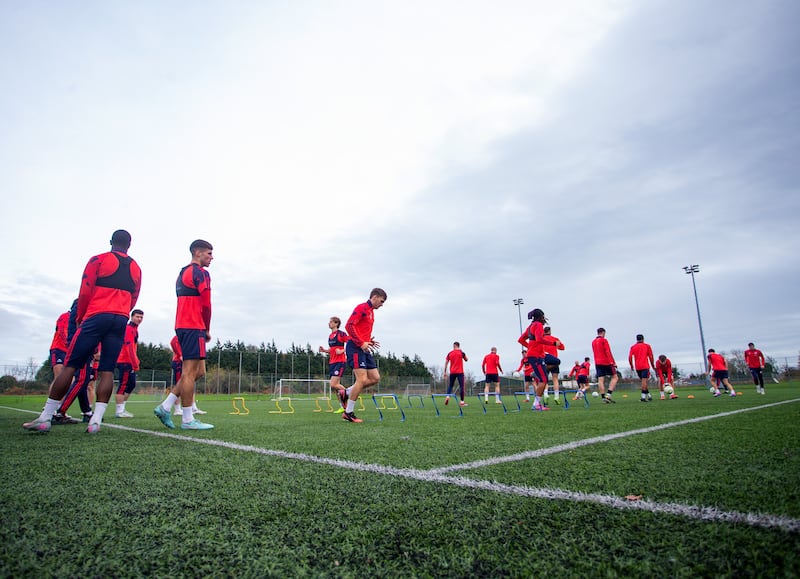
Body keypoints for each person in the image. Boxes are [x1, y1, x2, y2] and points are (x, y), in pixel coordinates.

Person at [24, 230, 142, 434]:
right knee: (106, 370)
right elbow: (134, 296)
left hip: (96, 316)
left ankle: (46, 417)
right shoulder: (136, 268)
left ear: (111, 242)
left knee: (70, 366)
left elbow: (85, 290)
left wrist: (80, 317)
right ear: (129, 245)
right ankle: (95, 421)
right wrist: (122, 311)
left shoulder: (98, 259)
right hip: (120, 319)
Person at [154, 239, 215, 430]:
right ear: (197, 252)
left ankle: (165, 406)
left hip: (182, 325)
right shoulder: (201, 273)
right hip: (193, 325)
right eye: (209, 253)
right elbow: (206, 304)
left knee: (198, 371)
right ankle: (188, 419)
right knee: (189, 372)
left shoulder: (182, 273)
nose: (211, 257)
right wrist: (206, 328)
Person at [336, 288, 387, 423]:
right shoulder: (362, 308)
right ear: (375, 297)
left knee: (375, 378)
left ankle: (346, 393)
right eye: (381, 301)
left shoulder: (371, 312)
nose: (382, 305)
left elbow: (360, 329)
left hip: (364, 348)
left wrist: (368, 341)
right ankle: (348, 412)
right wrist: (360, 342)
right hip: (355, 348)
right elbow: (349, 326)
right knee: (362, 379)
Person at [518, 308, 559, 411]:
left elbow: (521, 340)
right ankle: (536, 404)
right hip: (536, 356)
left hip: (540, 354)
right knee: (544, 380)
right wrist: (553, 343)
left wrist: (529, 347)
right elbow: (539, 339)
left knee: (556, 361)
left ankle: (538, 372)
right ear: (541, 317)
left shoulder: (530, 326)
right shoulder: (538, 325)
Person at [114, 309, 143, 418]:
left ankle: (122, 408)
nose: (139, 319)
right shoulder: (129, 329)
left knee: (131, 384)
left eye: (141, 317)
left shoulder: (134, 330)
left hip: (129, 361)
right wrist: (134, 362)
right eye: (137, 317)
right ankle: (119, 411)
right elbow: (129, 347)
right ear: (132, 317)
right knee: (123, 385)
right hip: (125, 361)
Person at [169, 334, 206, 416]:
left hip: (187, 362)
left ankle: (193, 407)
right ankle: (177, 409)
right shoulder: (182, 334)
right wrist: (181, 354)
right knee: (180, 384)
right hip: (179, 362)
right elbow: (173, 342)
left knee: (190, 384)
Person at [319, 316, 349, 414]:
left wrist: (342, 350)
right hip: (332, 362)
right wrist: (324, 350)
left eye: (331, 322)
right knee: (335, 387)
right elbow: (332, 350)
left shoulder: (341, 334)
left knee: (333, 384)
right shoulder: (330, 336)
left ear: (336, 324)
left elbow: (350, 343)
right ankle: (343, 407)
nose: (329, 323)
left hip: (340, 362)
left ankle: (349, 394)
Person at [592, 328, 618, 403]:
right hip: (606, 362)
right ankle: (608, 394)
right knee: (615, 377)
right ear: (603, 332)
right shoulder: (604, 340)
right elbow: (608, 351)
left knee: (600, 379)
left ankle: (603, 397)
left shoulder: (593, 342)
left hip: (597, 362)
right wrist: (613, 362)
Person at [628, 334, 656, 402]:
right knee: (644, 382)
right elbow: (651, 357)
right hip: (645, 366)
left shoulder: (633, 347)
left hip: (638, 367)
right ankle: (643, 397)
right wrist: (653, 366)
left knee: (644, 382)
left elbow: (630, 357)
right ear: (643, 339)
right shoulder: (647, 346)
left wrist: (631, 366)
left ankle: (649, 395)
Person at [543, 326, 565, 404]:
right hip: (554, 361)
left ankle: (545, 394)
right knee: (555, 379)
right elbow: (562, 347)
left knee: (545, 379)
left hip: (545, 360)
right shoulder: (555, 339)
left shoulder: (542, 339)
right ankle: (556, 396)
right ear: (550, 331)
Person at [444, 341, 469, 407]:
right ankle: (462, 402)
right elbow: (466, 359)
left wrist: (445, 372)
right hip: (460, 372)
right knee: (461, 386)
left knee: (450, 385)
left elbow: (446, 362)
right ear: (459, 346)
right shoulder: (461, 352)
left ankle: (447, 396)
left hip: (452, 372)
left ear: (454, 346)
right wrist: (462, 352)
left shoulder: (450, 353)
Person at [48, 308, 71, 379]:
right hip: (59, 349)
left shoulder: (79, 320)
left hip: (69, 352)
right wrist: (70, 343)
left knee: (70, 379)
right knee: (59, 377)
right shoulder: (65, 316)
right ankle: (55, 390)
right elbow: (61, 331)